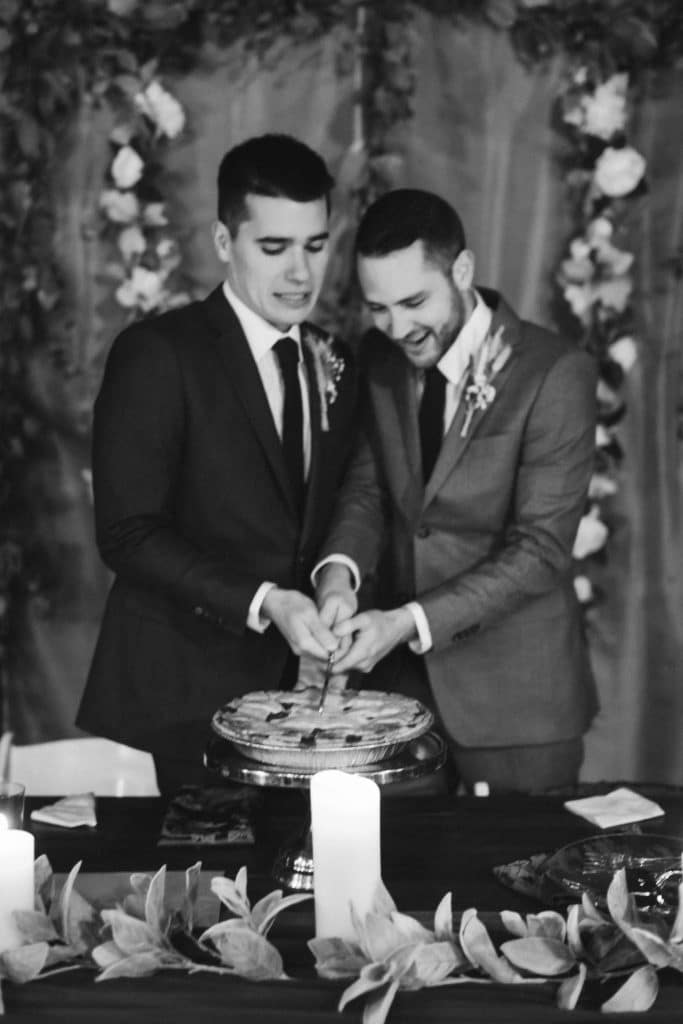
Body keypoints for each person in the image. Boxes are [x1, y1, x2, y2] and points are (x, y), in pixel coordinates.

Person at [77, 134, 357, 794]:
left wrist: (332, 588)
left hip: (304, 707)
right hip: (182, 696)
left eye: (314, 246)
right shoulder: (158, 353)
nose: (300, 273)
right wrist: (266, 602)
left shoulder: (334, 357)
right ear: (224, 242)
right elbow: (127, 533)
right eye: (274, 247)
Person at [315, 188, 598, 794]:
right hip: (401, 694)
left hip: (517, 700)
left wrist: (407, 621)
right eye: (379, 308)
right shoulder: (381, 357)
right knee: (399, 876)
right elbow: (368, 487)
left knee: (524, 877)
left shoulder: (555, 372)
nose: (398, 327)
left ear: (462, 271)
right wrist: (337, 574)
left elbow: (541, 549)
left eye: (415, 301)